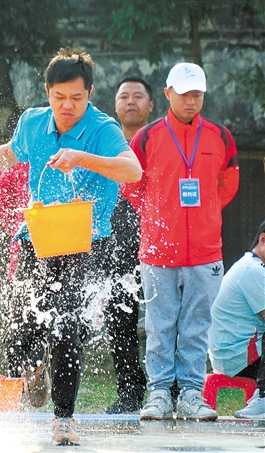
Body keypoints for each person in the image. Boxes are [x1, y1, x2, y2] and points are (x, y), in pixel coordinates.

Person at [0, 47, 142, 445]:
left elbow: (132, 169)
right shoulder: (33, 122)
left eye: (77, 98)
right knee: (23, 327)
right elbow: (7, 155)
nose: (68, 106)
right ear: (47, 91)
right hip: (38, 237)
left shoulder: (103, 129)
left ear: (90, 93)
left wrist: (83, 157)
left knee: (66, 325)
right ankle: (34, 371)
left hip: (86, 241)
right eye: (59, 97)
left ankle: (64, 418)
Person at [122, 62, 240, 421]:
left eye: (198, 94)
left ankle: (191, 393)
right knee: (160, 325)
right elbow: (130, 185)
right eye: (185, 93)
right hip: (158, 250)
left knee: (196, 325)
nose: (191, 100)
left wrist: (204, 213)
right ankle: (158, 394)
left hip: (205, 251)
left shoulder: (220, 135)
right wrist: (161, 211)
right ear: (168, 93)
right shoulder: (146, 137)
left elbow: (228, 184)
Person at [104, 76, 154, 414]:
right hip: (113, 244)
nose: (131, 102)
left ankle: (169, 389)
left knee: (165, 320)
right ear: (116, 105)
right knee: (118, 318)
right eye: (124, 96)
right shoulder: (104, 141)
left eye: (139, 96)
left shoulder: (160, 139)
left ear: (152, 105)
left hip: (158, 242)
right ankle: (130, 392)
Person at [208, 220, 265, 419]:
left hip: (233, 354)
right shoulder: (253, 270)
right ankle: (264, 398)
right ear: (263, 239)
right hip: (238, 358)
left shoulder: (251, 266)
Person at [0, 161, 30, 378]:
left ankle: (18, 378)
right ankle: (32, 365)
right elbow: (2, 212)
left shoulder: (15, 167)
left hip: (20, 258)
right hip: (43, 254)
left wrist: (18, 227)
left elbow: (2, 213)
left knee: (17, 323)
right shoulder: (15, 168)